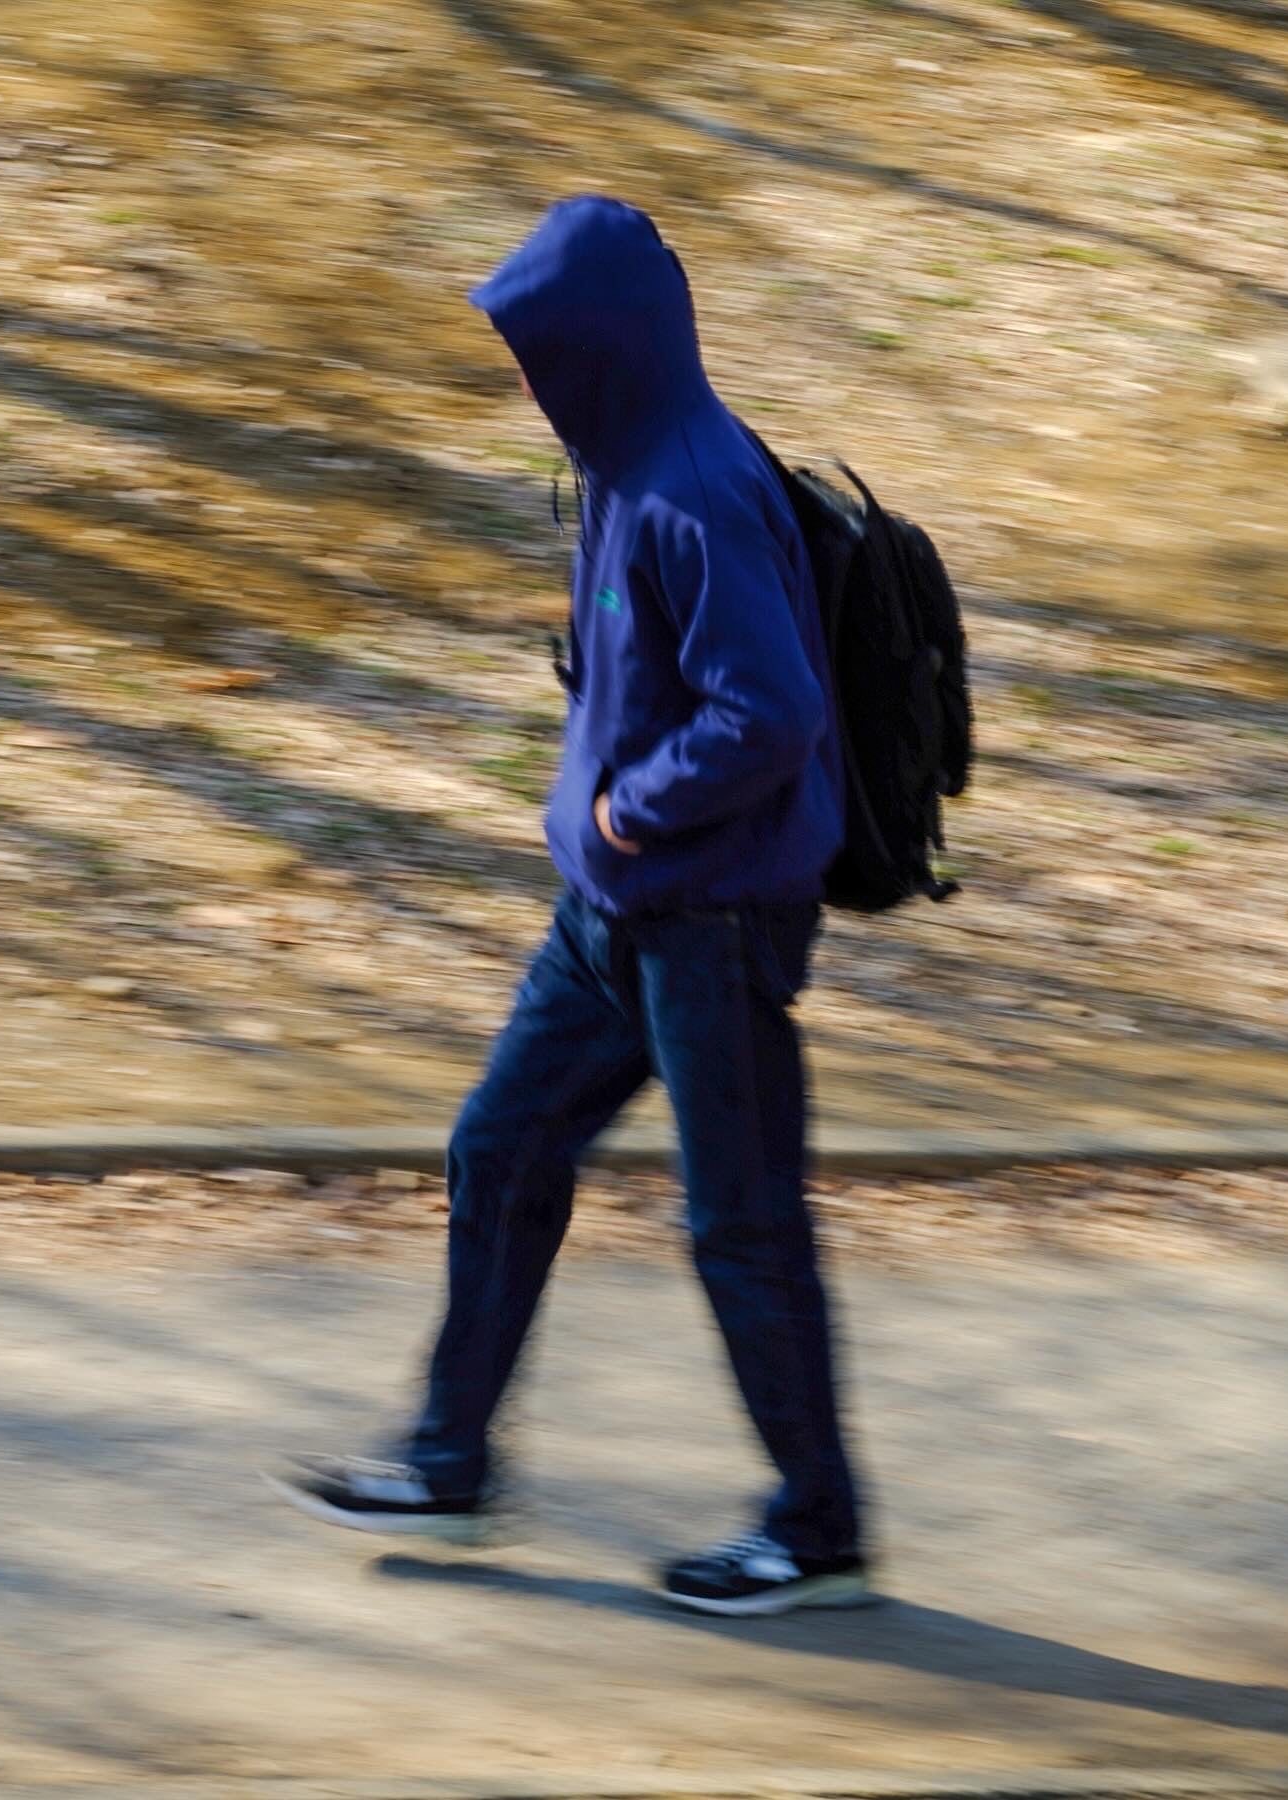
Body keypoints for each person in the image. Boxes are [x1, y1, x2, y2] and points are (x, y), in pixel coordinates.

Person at [269, 195, 867, 1617]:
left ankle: (821, 1532)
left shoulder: (696, 487)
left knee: (740, 1224)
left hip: (711, 920)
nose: (527, 379)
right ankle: (447, 1460)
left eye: (542, 351)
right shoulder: (614, 469)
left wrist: (628, 805)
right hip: (610, 920)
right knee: (500, 1150)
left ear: (608, 346)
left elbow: (769, 711)